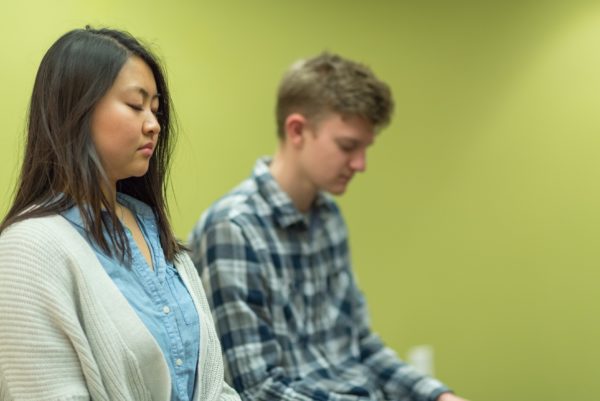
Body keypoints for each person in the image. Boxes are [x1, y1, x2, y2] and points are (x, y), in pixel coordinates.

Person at [188, 52, 470, 401]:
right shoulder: (232, 229)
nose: (361, 164)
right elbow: (258, 389)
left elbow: (360, 345)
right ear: (297, 131)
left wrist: (437, 395)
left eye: (366, 148)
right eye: (348, 146)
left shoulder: (328, 217)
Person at [0, 27, 240, 401]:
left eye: (156, 110)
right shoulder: (28, 248)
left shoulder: (153, 229)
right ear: (76, 108)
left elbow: (214, 386)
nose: (154, 125)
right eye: (135, 105)